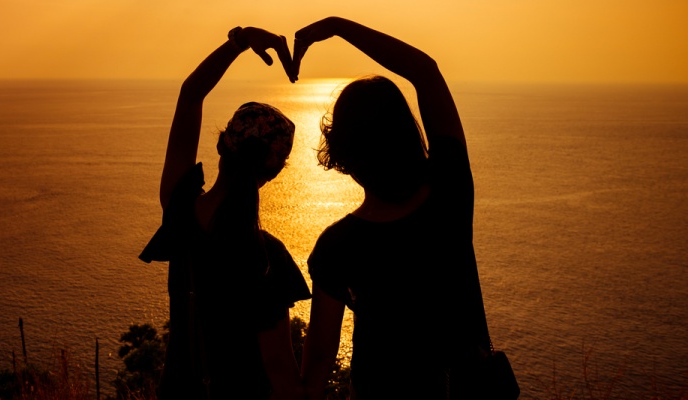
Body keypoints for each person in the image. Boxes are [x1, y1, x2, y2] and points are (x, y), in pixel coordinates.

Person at [292, 17, 491, 399]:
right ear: (406, 132)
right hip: (467, 387)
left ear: (345, 156)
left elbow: (318, 362)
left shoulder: (337, 246)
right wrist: (338, 27)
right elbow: (425, 71)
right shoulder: (448, 190)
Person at [139, 26, 311, 400]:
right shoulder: (266, 257)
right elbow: (281, 374)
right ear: (274, 169)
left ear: (223, 146)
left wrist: (240, 42)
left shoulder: (180, 211)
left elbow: (191, 94)